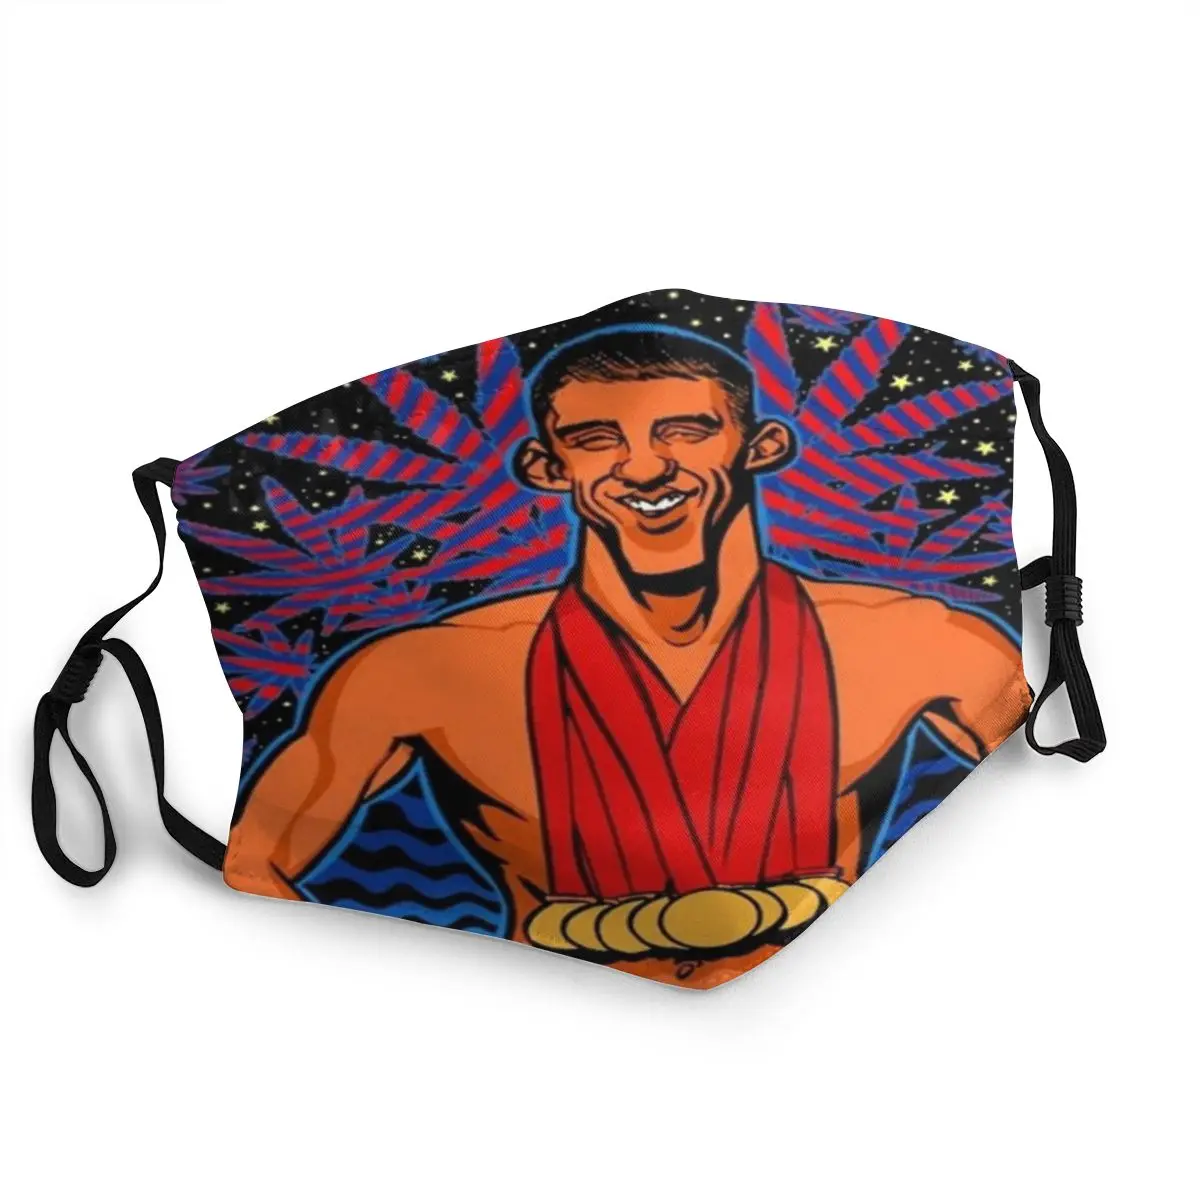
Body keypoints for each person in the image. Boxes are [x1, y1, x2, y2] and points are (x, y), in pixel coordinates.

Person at [225, 328, 1028, 988]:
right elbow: (269, 858)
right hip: (527, 1011)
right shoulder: (413, 669)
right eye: (595, 440)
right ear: (547, 468)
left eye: (687, 431)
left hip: (873, 988)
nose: (645, 467)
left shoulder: (912, 639)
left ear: (761, 445)